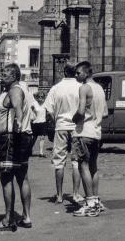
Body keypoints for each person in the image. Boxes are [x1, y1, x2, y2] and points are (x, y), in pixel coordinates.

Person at [0, 63, 33, 231]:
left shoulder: (14, 90)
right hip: (21, 137)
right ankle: (26, 217)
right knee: (22, 177)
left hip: (11, 139)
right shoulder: (20, 90)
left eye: (5, 74)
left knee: (6, 178)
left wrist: (17, 123)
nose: (2, 77)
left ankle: (9, 218)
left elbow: (17, 108)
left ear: (14, 76)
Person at [43, 62, 83, 205]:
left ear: (64, 72)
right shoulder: (80, 88)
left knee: (59, 162)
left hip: (60, 127)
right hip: (76, 128)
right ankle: (76, 194)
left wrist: (55, 121)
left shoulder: (56, 88)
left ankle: (59, 195)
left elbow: (49, 110)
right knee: (76, 162)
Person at [72, 61, 107, 218]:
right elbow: (105, 112)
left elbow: (80, 111)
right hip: (96, 132)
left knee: (83, 166)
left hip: (83, 131)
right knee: (93, 166)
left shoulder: (84, 88)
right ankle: (96, 200)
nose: (76, 75)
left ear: (86, 73)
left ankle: (90, 203)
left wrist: (74, 118)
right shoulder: (99, 88)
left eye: (78, 73)